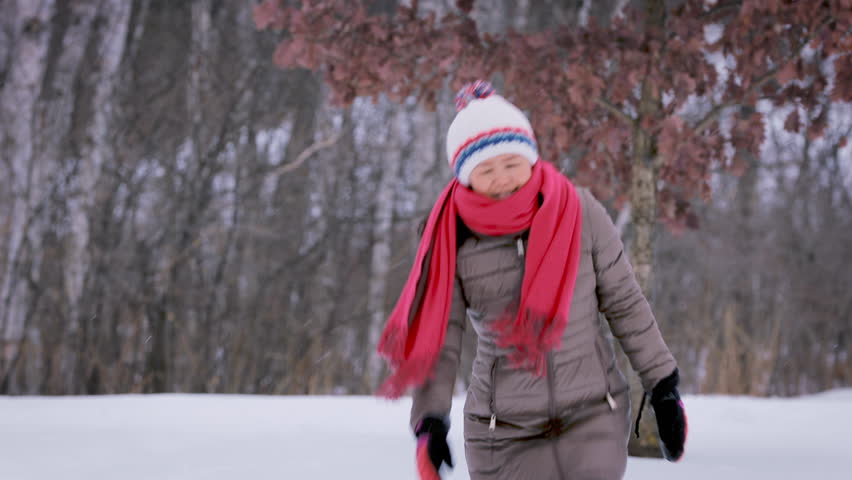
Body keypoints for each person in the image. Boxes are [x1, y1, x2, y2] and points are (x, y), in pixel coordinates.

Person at [377, 80, 687, 480]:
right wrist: (430, 422)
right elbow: (441, 340)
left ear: (531, 156)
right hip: (501, 429)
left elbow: (625, 303)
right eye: (485, 169)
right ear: (464, 176)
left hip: (594, 413)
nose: (502, 177)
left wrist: (662, 386)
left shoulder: (580, 211)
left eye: (511, 162)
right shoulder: (451, 236)